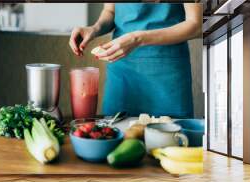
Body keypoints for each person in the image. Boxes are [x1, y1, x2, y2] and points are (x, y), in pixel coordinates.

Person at [69, 3, 202, 118]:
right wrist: (94, 29)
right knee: (115, 135)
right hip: (122, 72)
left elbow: (197, 25)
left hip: (167, 71)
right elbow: (110, 11)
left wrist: (137, 38)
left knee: (174, 141)